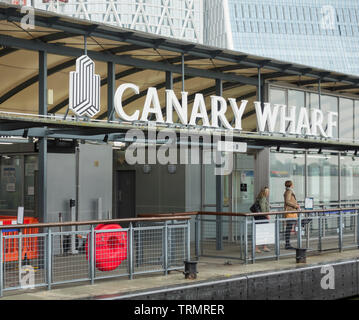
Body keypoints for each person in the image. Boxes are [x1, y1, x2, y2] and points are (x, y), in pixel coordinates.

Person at [284, 180, 300, 250]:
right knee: (289, 228)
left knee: (289, 227)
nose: (293, 185)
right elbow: (287, 201)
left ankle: (287, 243)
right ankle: (287, 244)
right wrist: (295, 206)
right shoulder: (289, 191)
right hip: (290, 212)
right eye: (292, 184)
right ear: (290, 185)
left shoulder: (288, 191)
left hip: (291, 211)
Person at [254, 187, 271, 253]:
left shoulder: (260, 198)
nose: (268, 193)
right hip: (262, 217)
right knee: (261, 232)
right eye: (267, 191)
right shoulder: (263, 198)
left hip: (260, 217)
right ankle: (257, 248)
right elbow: (263, 209)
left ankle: (264, 247)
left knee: (262, 232)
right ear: (265, 192)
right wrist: (267, 215)